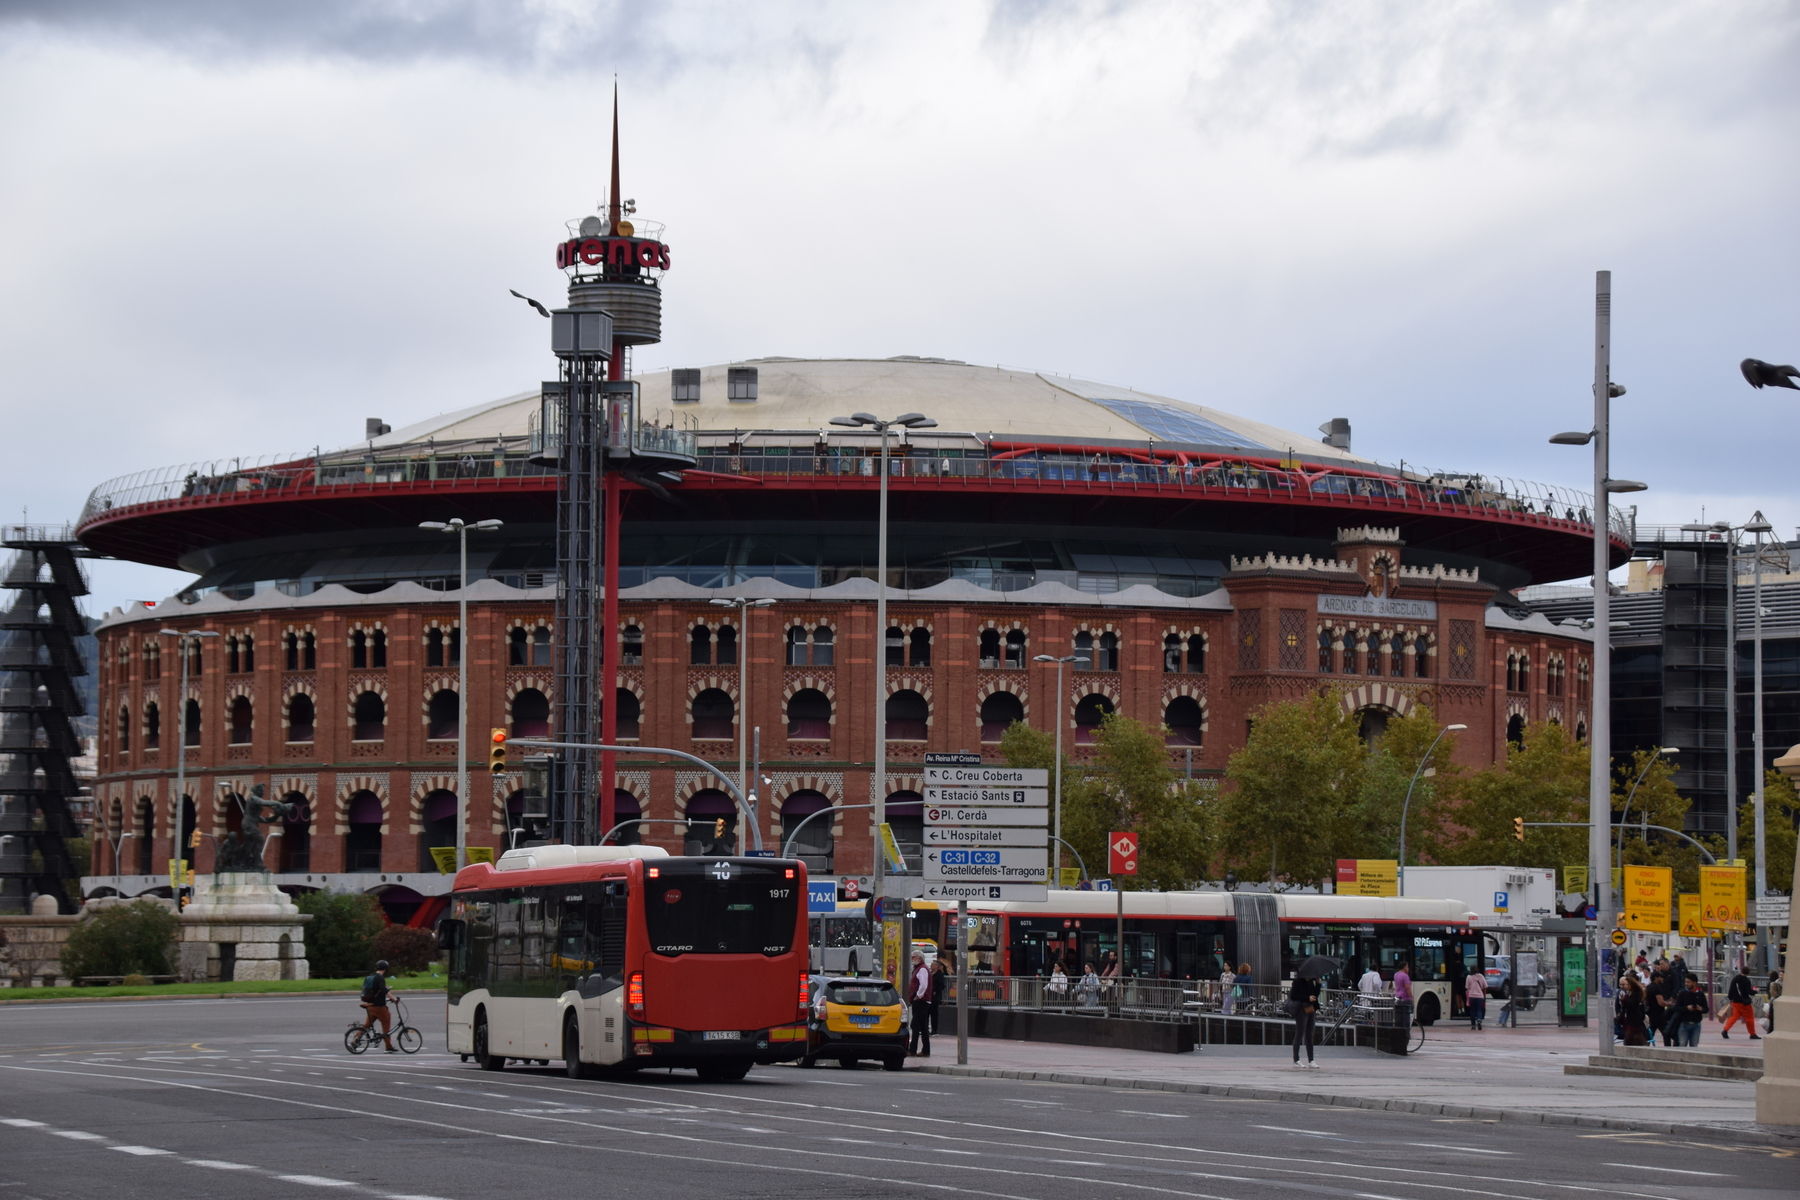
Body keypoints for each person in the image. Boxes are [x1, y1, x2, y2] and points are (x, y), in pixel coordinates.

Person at [358, 959, 398, 1053]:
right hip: (379, 1007)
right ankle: (388, 1047)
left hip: (371, 1006)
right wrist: (394, 999)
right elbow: (383, 991)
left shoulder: (372, 976)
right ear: (385, 969)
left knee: (366, 1025)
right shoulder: (380, 978)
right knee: (386, 1026)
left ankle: (355, 1040)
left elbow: (376, 990)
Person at [1288, 972, 1321, 1069]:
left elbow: (1315, 995)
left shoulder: (1310, 982)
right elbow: (1293, 996)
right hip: (1301, 1009)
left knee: (1309, 1035)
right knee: (1299, 1033)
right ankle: (1296, 1060)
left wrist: (1318, 985)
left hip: (1310, 1008)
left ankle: (1311, 1060)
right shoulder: (1298, 982)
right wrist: (1307, 998)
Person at [905, 950, 933, 1057]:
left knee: (915, 1025)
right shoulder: (919, 969)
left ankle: (913, 1049)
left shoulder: (922, 969)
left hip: (921, 1001)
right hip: (921, 1001)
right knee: (923, 1026)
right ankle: (926, 1050)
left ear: (920, 958)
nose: (912, 959)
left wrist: (918, 996)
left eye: (914, 957)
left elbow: (923, 985)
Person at [1721, 965, 1760, 1040]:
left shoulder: (1735, 979)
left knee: (1733, 1017)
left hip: (1735, 1002)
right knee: (1749, 1018)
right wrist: (1755, 991)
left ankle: (1725, 1030)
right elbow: (1749, 991)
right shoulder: (1746, 981)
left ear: (1741, 971)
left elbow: (1731, 989)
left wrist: (1730, 998)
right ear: (1748, 973)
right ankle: (1752, 1034)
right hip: (1744, 1003)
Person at [1674, 976, 1708, 1047]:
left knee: (1694, 1045)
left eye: (1689, 982)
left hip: (1696, 1024)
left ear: (1694, 983)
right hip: (1684, 1023)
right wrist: (1686, 1008)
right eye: (1686, 982)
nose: (1686, 984)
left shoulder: (1700, 994)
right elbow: (1677, 1007)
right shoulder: (1682, 993)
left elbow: (1706, 1009)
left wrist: (1701, 1009)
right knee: (1682, 1044)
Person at [1617, 975, 1650, 1047]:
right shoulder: (1629, 993)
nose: (1625, 986)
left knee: (1628, 1039)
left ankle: (1644, 1044)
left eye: (1627, 984)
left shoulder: (1636, 993)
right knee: (1635, 1036)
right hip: (1630, 1019)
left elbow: (1632, 1004)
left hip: (1635, 1019)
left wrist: (1624, 1000)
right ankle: (1643, 1044)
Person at [1392, 960, 1414, 1034]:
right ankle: (1406, 1033)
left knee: (1399, 1019)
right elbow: (1407, 988)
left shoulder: (1396, 975)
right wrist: (1412, 997)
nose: (1408, 969)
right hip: (1405, 999)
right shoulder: (1405, 976)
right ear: (1404, 967)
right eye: (1407, 967)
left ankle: (1399, 1034)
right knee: (1407, 1018)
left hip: (1398, 998)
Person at [928, 955, 948, 1034]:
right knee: (927, 1013)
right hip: (928, 996)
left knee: (934, 1013)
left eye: (933, 964)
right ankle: (926, 1028)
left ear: (937, 966)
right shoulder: (930, 973)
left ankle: (934, 1029)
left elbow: (941, 985)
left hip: (935, 997)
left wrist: (936, 991)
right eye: (931, 964)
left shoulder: (939, 975)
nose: (931, 966)